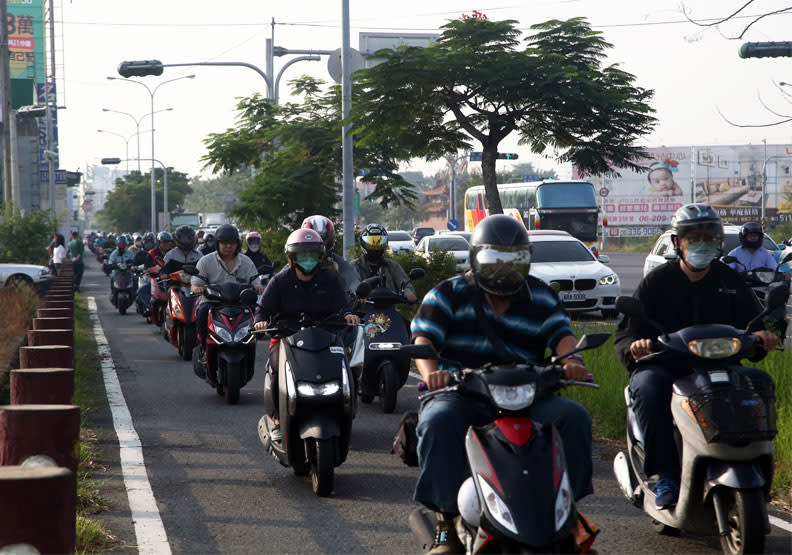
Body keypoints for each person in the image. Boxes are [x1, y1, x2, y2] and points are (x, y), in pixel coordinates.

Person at [410, 214, 593, 553]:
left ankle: (570, 513)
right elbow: (424, 339)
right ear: (476, 258)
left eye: (514, 261)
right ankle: (445, 520)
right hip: (462, 391)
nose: (503, 270)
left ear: (526, 261)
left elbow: (563, 336)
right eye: (494, 260)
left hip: (527, 392)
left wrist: (572, 361)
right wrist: (431, 374)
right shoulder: (447, 293)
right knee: (438, 421)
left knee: (573, 418)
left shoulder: (540, 295)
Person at [614, 203, 777, 510]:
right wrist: (636, 346)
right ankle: (666, 475)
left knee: (760, 382)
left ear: (718, 241)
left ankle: (757, 463)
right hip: (668, 367)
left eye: (708, 236)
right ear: (678, 242)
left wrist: (764, 336)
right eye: (693, 236)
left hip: (722, 365)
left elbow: (756, 324)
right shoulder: (657, 281)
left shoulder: (730, 281)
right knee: (647, 387)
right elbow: (626, 332)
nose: (701, 242)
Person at [253, 229, 360, 437]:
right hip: (287, 338)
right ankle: (276, 417)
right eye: (302, 255)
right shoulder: (279, 281)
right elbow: (262, 310)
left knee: (345, 367)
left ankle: (345, 410)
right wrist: (260, 322)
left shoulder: (331, 280)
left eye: (312, 254)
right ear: (291, 258)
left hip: (326, 337)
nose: (307, 259)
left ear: (320, 256)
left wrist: (349, 314)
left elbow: (343, 305)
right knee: (276, 368)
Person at [191, 224, 265, 361]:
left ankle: (250, 346)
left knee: (257, 311)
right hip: (213, 302)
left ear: (237, 244)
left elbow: (255, 280)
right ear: (217, 244)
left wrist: (258, 286)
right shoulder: (205, 261)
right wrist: (197, 288)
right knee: (201, 312)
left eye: (232, 243)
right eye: (224, 243)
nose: (228, 246)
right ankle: (203, 349)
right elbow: (195, 283)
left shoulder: (246, 261)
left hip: (239, 303)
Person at [352, 223, 417, 302]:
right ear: (363, 243)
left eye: (379, 242)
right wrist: (357, 295)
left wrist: (408, 294)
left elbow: (404, 284)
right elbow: (350, 286)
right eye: (371, 243)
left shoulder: (392, 266)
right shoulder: (354, 266)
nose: (375, 246)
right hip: (362, 312)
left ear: (385, 243)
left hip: (388, 310)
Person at [302, 215, 360, 297]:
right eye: (314, 241)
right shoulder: (298, 261)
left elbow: (352, 278)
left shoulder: (336, 261)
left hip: (334, 306)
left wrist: (357, 290)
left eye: (323, 240)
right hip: (301, 306)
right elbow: (283, 278)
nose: (319, 246)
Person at [107, 235, 135, 304]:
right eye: (120, 244)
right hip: (116, 274)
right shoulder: (114, 254)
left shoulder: (130, 253)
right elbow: (110, 262)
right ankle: (113, 294)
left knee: (134, 279)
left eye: (123, 244)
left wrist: (132, 265)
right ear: (117, 244)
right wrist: (112, 265)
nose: (122, 245)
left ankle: (134, 295)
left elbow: (134, 261)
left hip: (128, 273)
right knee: (112, 279)